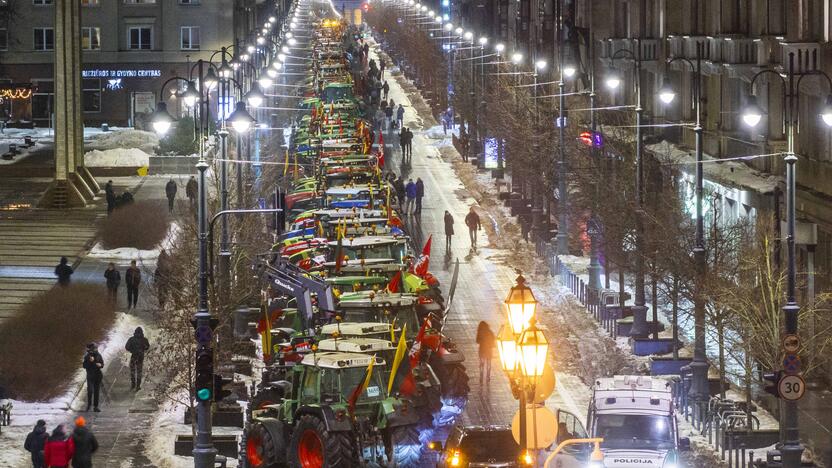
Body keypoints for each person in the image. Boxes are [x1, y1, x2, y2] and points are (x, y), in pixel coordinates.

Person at [82, 343, 103, 412]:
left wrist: (100, 365)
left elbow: (102, 363)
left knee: (97, 391)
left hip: (98, 375)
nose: (96, 349)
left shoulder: (98, 355)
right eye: (95, 348)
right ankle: (89, 405)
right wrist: (90, 362)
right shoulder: (87, 356)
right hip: (90, 376)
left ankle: (95, 406)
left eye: (96, 348)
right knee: (90, 391)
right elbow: (84, 366)